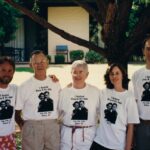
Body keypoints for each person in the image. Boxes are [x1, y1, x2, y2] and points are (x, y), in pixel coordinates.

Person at [15, 50, 61, 150]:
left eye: (42, 61)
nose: (40, 65)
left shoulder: (55, 83)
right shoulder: (24, 86)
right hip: (32, 127)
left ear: (47, 63)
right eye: (36, 62)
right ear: (30, 65)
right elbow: (17, 111)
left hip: (52, 126)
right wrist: (25, 126)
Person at [90, 63, 139, 150]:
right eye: (111, 73)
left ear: (123, 75)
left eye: (117, 73)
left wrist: (127, 147)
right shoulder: (103, 93)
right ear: (108, 76)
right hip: (99, 142)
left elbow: (131, 126)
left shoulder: (129, 97)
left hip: (117, 145)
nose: (114, 76)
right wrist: (71, 85)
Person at [58, 60, 100, 150]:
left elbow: (101, 114)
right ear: (71, 73)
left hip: (88, 137)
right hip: (67, 136)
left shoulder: (95, 92)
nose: (77, 75)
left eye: (81, 72)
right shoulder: (64, 92)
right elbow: (58, 114)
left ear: (87, 74)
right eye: (75, 72)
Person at [132, 35, 150, 150]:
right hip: (142, 125)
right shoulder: (137, 75)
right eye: (148, 48)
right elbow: (134, 102)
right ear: (143, 51)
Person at [0, 56, 17, 149]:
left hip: (9, 137)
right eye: (3, 70)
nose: (7, 73)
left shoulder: (15, 89)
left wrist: (51, 79)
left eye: (10, 71)